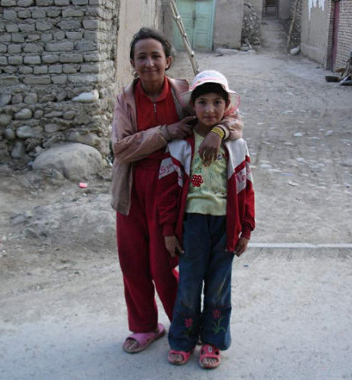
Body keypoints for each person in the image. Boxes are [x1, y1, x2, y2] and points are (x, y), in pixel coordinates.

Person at [111, 28, 243, 354]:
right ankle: (144, 326)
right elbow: (121, 149)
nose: (149, 63)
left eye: (156, 56)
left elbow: (233, 120)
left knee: (162, 263)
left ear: (168, 60)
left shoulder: (184, 94)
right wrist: (166, 132)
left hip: (170, 189)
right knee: (132, 263)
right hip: (131, 189)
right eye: (141, 56)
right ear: (132, 62)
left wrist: (219, 131)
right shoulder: (124, 100)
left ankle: (183, 327)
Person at [156, 70, 255, 369]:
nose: (209, 109)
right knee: (188, 285)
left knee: (218, 287)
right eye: (202, 102)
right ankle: (183, 341)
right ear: (193, 106)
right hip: (192, 226)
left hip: (225, 226)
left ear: (226, 106)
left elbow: (245, 188)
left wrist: (246, 230)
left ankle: (212, 341)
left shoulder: (236, 147)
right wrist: (168, 231)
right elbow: (169, 192)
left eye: (216, 102)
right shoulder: (179, 146)